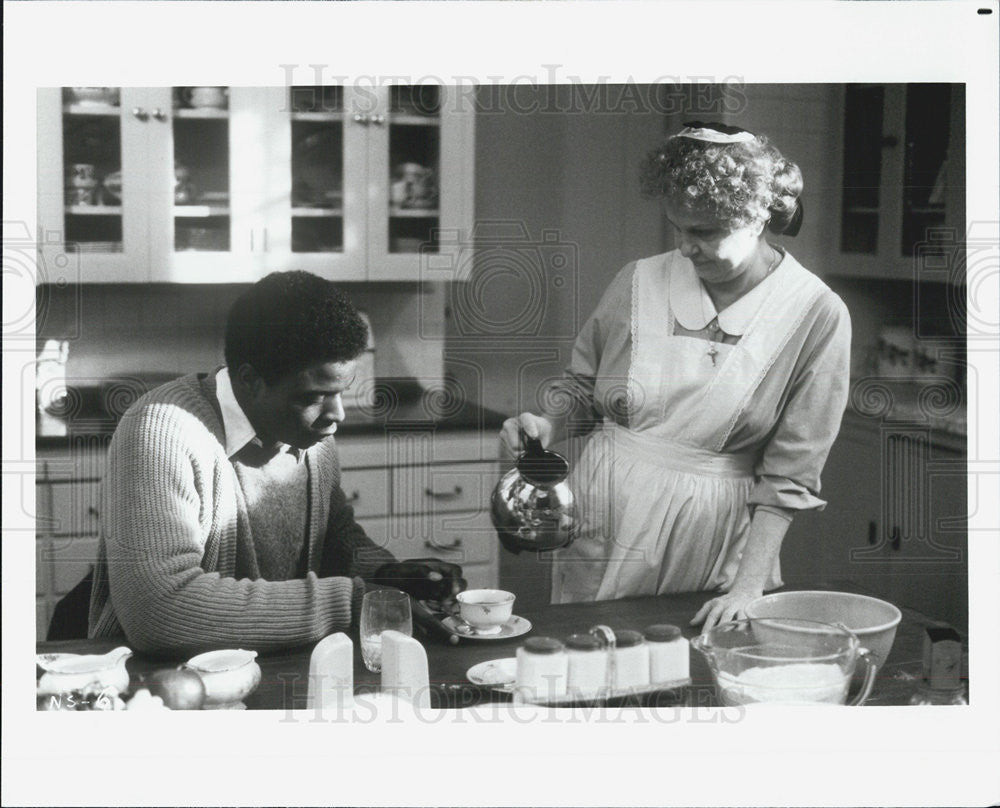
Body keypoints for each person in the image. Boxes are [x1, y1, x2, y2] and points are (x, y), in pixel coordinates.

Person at [500, 121, 851, 630]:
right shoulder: (639, 280)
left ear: (756, 219)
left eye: (705, 232)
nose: (686, 247)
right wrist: (546, 425)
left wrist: (748, 584)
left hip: (714, 532)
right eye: (678, 228)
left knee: (687, 668)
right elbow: (582, 389)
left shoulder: (814, 312)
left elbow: (791, 473)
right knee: (591, 663)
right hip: (607, 508)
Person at [88, 270, 464, 655]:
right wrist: (353, 600)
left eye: (341, 391)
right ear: (251, 380)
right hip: (155, 684)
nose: (337, 415)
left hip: (267, 664)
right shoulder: (162, 431)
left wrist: (384, 574)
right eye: (314, 396)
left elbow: (332, 536)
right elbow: (160, 611)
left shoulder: (309, 433)